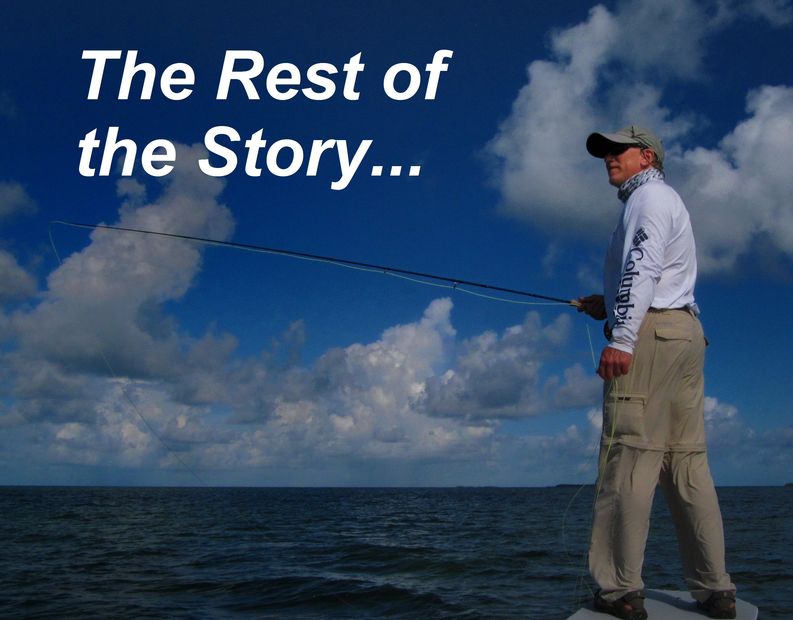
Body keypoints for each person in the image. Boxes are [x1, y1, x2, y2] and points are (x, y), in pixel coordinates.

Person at [577, 125, 736, 620]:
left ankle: (620, 590)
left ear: (647, 156)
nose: (608, 157)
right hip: (686, 334)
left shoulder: (646, 199)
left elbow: (641, 265)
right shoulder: (667, 200)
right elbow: (658, 274)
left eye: (617, 149)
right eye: (604, 151)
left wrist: (622, 337)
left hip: (650, 337)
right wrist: (609, 306)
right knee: (687, 463)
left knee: (627, 458)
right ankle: (715, 589)